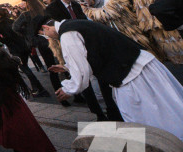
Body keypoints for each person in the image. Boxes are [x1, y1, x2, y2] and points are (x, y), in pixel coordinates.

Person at [38, 17, 183, 141]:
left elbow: (81, 69)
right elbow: (92, 54)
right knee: (170, 104)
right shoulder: (75, 24)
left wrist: (69, 89)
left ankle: (171, 142)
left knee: (152, 115)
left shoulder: (67, 34)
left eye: (44, 34)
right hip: (141, 64)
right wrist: (67, 68)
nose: (48, 37)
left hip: (131, 75)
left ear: (46, 27)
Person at [0, 18, 56, 152]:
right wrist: (14, 61)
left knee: (16, 131)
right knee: (24, 130)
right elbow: (3, 66)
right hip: (5, 94)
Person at [0, 8, 49, 97]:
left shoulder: (0, 25)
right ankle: (37, 87)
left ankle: (39, 88)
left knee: (24, 68)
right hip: (24, 46)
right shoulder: (11, 21)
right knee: (25, 67)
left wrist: (5, 41)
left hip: (15, 49)